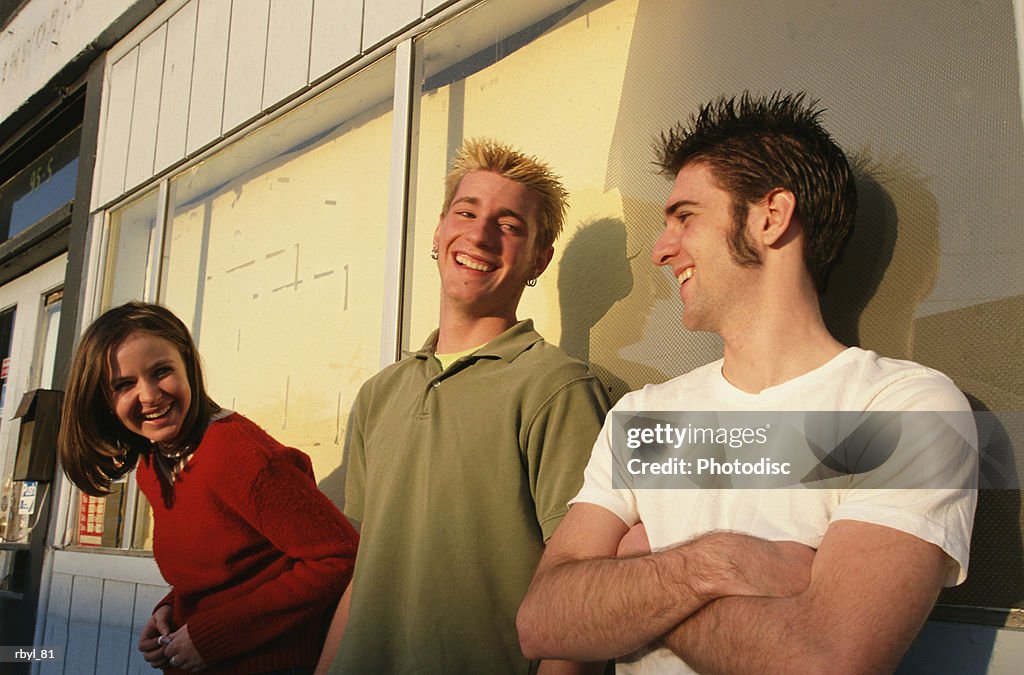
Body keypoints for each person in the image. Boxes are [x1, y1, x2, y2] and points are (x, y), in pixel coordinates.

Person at [517, 92, 977, 673]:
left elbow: (824, 661)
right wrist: (715, 563)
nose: (660, 250)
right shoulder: (645, 416)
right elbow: (542, 621)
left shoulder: (903, 409)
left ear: (771, 216)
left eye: (685, 216)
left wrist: (636, 577)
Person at [317, 138, 610, 674]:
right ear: (438, 231)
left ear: (538, 260)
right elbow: (368, 571)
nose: (479, 234)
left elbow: (580, 595)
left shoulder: (557, 389)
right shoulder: (379, 394)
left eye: (509, 225)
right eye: (467, 212)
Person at [59, 302, 359, 674]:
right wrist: (170, 611)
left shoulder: (240, 454)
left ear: (188, 365)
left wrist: (212, 635)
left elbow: (340, 556)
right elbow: (227, 571)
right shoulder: (154, 464)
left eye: (162, 371)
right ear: (103, 399)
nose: (150, 395)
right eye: (124, 384)